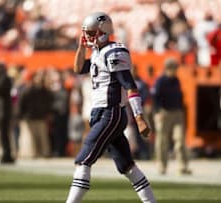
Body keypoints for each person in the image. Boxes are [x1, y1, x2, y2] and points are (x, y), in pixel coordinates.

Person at [65, 12, 156, 203]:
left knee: (83, 159)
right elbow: (78, 67)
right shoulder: (98, 52)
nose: (88, 37)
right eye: (86, 33)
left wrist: (139, 117)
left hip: (111, 112)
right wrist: (82, 46)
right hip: (101, 113)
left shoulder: (114, 52)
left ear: (104, 31)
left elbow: (130, 86)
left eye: (91, 33)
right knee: (127, 166)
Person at [152, 58, 191, 175]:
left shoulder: (176, 80)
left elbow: (180, 96)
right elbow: (155, 97)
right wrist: (157, 112)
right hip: (164, 113)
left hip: (177, 113)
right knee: (162, 141)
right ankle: (162, 165)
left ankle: (182, 165)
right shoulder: (161, 81)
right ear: (168, 68)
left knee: (180, 139)